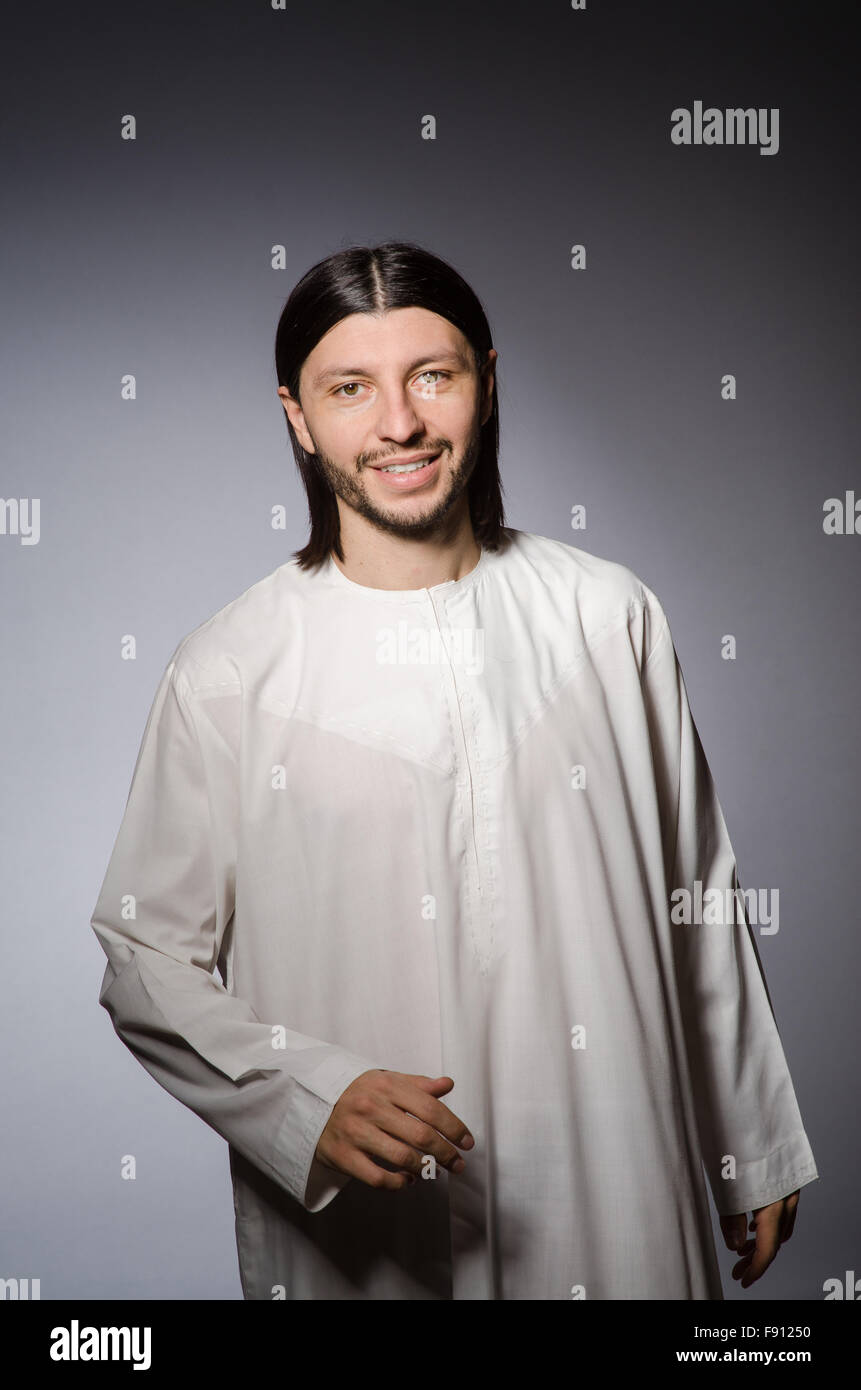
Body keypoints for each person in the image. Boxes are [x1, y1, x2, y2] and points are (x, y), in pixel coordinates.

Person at [91, 241, 818, 1300]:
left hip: (618, 1195)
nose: (400, 423)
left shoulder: (606, 615)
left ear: (485, 380)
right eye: (352, 389)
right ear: (297, 415)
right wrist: (308, 1097)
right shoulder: (231, 669)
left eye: (432, 376)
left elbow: (694, 891)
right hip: (371, 1233)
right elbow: (143, 947)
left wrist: (750, 1140)